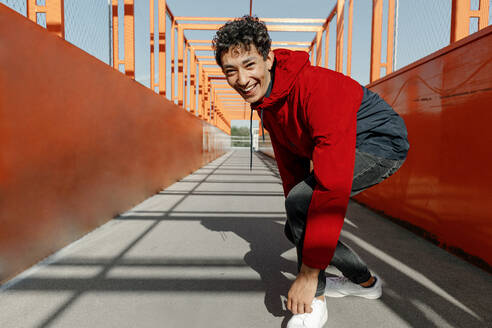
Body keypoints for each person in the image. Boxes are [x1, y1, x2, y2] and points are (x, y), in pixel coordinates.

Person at [212, 16, 409, 328]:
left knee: (305, 205)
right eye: (230, 71)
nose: (241, 79)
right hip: (349, 145)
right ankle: (365, 283)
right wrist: (294, 208)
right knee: (296, 224)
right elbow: (290, 164)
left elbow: (331, 187)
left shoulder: (316, 89)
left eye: (249, 65)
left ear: (269, 58)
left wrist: (308, 274)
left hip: (380, 145)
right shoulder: (268, 103)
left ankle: (314, 301)